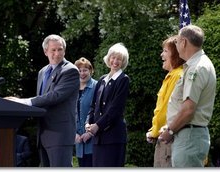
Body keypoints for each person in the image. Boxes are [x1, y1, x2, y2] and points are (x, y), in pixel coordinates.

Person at [7, 34, 80, 167]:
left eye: (60, 49)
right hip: (44, 133)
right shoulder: (43, 72)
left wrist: (25, 101)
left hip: (60, 134)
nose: (57, 53)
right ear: (45, 51)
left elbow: (55, 96)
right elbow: (42, 101)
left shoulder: (70, 70)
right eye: (53, 50)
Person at [159, 25, 216, 167]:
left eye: (177, 41)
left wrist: (170, 130)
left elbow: (188, 109)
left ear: (184, 42)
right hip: (189, 136)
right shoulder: (197, 65)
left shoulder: (197, 68)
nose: (176, 45)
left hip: (189, 138)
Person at [86, 43, 130, 167]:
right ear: (108, 58)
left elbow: (115, 108)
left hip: (113, 137)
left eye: (119, 59)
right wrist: (88, 123)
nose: (115, 61)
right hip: (98, 138)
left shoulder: (123, 79)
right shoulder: (102, 80)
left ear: (123, 62)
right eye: (113, 57)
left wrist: (97, 125)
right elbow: (93, 105)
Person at [145, 35, 185, 167]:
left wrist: (154, 131)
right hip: (164, 137)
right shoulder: (171, 76)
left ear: (176, 54)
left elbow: (167, 110)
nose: (162, 55)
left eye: (166, 51)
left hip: (170, 139)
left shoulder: (177, 76)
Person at [74, 57, 97, 167]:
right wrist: (73, 134)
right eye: (79, 70)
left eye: (85, 70)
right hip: (78, 141)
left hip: (94, 140)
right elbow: (69, 114)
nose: (82, 73)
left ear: (91, 71)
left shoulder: (97, 87)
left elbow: (99, 112)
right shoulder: (72, 89)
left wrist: (90, 132)